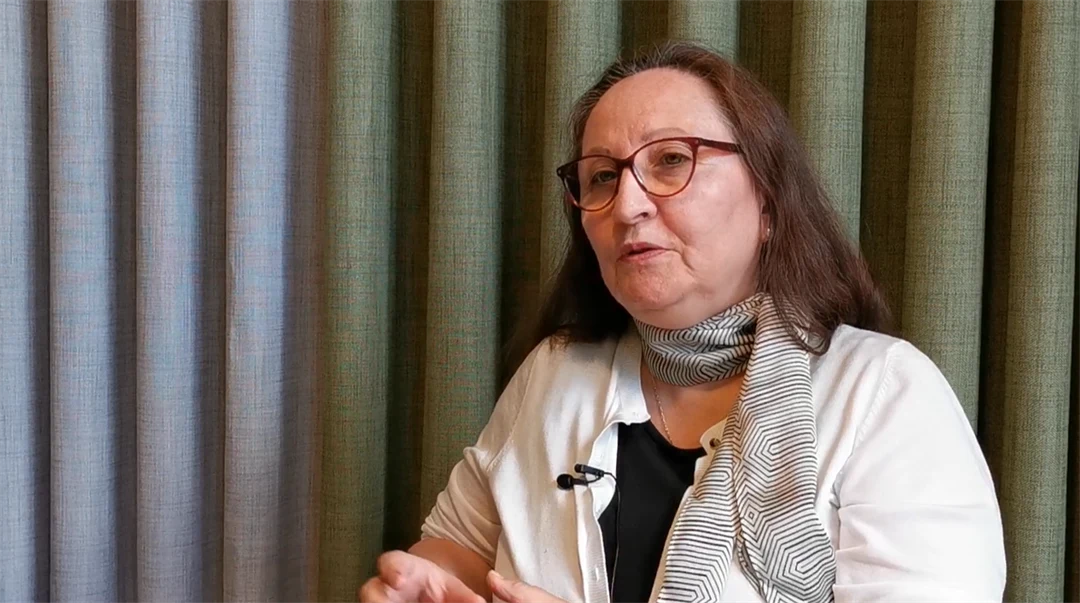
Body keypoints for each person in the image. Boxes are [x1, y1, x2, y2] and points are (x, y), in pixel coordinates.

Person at [360, 41, 1006, 603]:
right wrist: (425, 579)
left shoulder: (885, 390)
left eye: (672, 160)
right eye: (603, 176)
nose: (629, 204)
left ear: (770, 202)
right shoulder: (555, 369)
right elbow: (460, 548)